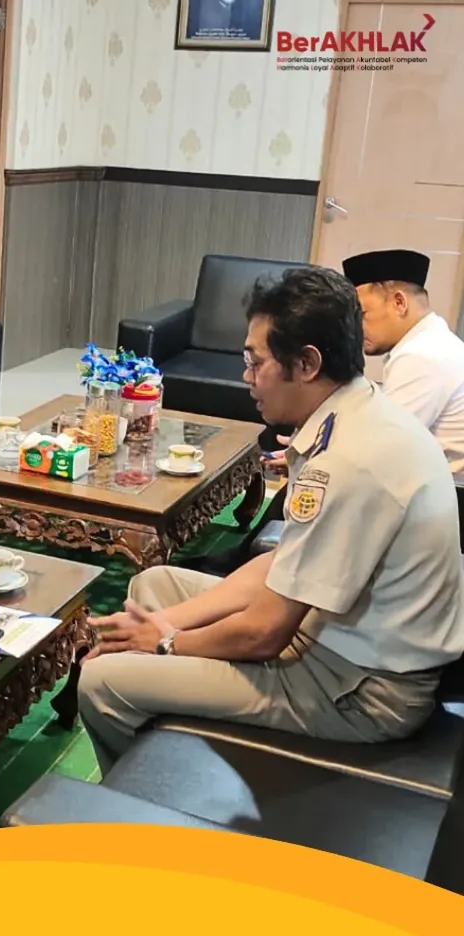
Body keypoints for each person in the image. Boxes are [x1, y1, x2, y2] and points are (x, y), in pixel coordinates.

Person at [78, 266, 464, 773]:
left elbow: (264, 633)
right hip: (331, 635)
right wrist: (169, 625)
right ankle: (178, 741)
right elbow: (284, 562)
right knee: (155, 586)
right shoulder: (354, 414)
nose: (246, 377)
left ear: (306, 363)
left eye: (255, 362)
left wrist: (168, 641)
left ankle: (155, 797)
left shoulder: (350, 461)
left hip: (358, 688)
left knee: (101, 682)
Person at [342, 248, 464, 470]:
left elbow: (379, 448)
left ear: (399, 303)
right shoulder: (434, 342)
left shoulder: (423, 355)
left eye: (362, 315)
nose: (355, 328)